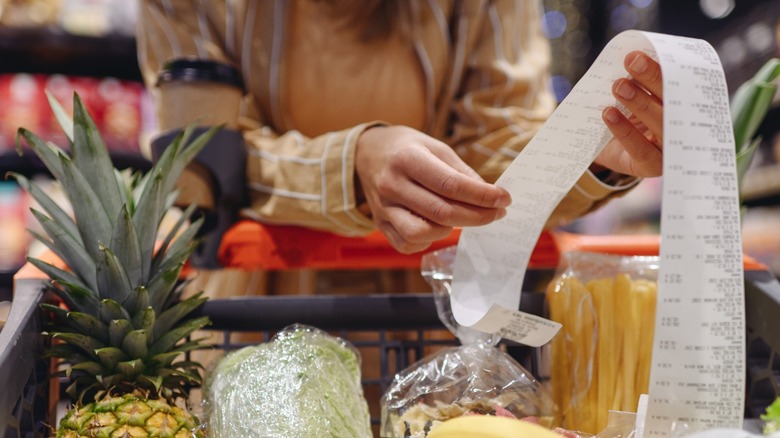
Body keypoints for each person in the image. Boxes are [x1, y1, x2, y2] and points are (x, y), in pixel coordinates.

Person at [136, 0, 663, 255]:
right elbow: (202, 162)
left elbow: (495, 147)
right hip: (256, 308)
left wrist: (589, 151)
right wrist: (352, 165)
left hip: (431, 316)